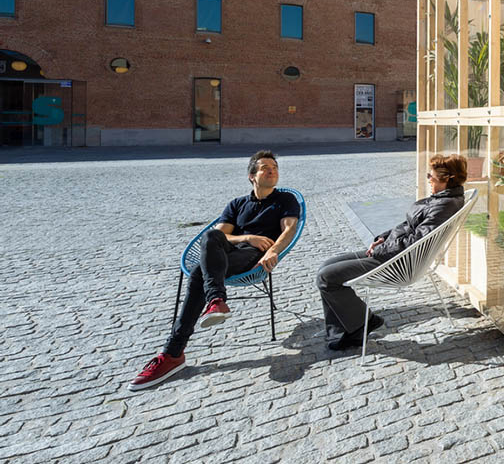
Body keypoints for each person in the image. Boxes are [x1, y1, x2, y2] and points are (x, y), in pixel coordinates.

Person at [128, 150, 301, 390]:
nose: (272, 170)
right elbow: (220, 236)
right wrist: (247, 236)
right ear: (252, 176)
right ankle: (215, 300)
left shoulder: (285, 200)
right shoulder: (237, 204)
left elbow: (289, 229)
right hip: (228, 253)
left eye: (274, 167)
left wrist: (273, 251)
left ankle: (173, 352)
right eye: (264, 167)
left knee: (200, 272)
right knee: (210, 235)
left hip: (253, 258)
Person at [316, 154, 468, 351]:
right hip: (391, 252)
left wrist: (381, 248)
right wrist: (383, 237)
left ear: (447, 178)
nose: (428, 180)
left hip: (399, 262)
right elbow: (408, 226)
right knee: (326, 265)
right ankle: (351, 327)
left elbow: (416, 241)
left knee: (327, 277)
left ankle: (362, 323)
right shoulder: (442, 199)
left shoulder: (445, 204)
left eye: (431, 176)